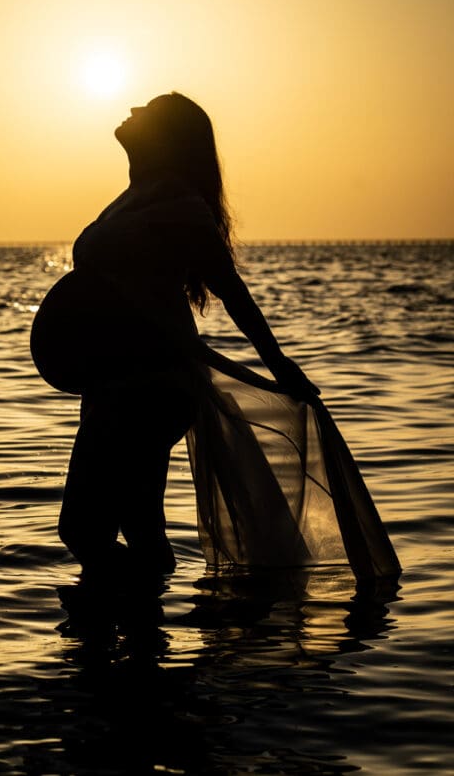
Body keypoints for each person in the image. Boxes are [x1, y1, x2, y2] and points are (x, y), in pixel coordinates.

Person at [31, 93, 400, 582]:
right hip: (115, 383)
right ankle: (134, 636)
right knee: (133, 528)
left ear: (168, 138)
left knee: (85, 529)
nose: (135, 111)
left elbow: (231, 289)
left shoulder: (178, 202)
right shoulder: (139, 195)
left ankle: (128, 627)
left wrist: (279, 364)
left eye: (151, 111)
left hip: (148, 386)